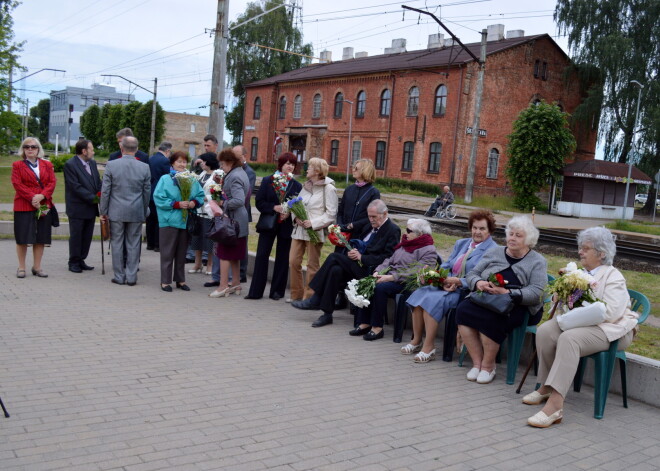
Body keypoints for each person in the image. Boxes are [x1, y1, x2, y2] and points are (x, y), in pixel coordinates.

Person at [524, 227, 639, 428]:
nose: (580, 252)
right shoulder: (581, 273)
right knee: (545, 331)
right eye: (580, 247)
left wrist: (577, 313)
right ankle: (546, 386)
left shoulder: (614, 276)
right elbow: (568, 308)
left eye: (586, 248)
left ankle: (555, 406)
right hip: (583, 324)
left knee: (569, 338)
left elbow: (610, 313)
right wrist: (561, 295)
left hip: (612, 330)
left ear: (601, 253)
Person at [456, 215, 547, 384]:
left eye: (518, 235)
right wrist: (479, 282)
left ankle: (488, 366)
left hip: (519, 305)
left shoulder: (538, 261)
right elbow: (472, 274)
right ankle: (477, 363)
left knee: (492, 318)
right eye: (510, 234)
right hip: (486, 298)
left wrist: (508, 293)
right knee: (463, 310)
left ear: (529, 240)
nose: (512, 238)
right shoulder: (495, 252)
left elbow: (537, 292)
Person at [403, 210, 498, 361]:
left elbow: (485, 277)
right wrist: (438, 277)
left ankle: (429, 347)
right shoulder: (462, 243)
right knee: (420, 293)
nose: (477, 232)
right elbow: (447, 265)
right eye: (474, 228)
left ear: (490, 230)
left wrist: (460, 282)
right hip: (447, 285)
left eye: (482, 229)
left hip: (465, 291)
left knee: (431, 301)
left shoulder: (493, 250)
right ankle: (416, 340)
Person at [292, 199, 400, 328]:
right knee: (335, 271)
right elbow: (359, 243)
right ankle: (327, 314)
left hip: (370, 270)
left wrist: (361, 257)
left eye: (374, 217)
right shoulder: (369, 226)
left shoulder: (393, 230)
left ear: (385, 214)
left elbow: (387, 258)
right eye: (369, 216)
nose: (371, 219)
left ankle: (316, 297)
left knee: (333, 257)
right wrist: (353, 252)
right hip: (356, 265)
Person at [351, 218, 437, 341]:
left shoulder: (428, 250)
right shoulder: (405, 244)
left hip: (407, 283)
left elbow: (417, 272)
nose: (405, 233)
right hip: (392, 277)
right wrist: (377, 271)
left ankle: (377, 328)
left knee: (380, 288)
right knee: (369, 282)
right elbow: (389, 261)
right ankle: (364, 323)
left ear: (420, 234)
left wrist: (392, 277)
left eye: (409, 230)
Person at [245, 152, 302, 300]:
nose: (290, 166)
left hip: (286, 225)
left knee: (282, 258)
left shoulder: (296, 185)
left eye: (292, 164)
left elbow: (299, 205)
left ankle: (277, 292)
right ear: (281, 164)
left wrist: (290, 213)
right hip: (268, 224)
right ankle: (256, 291)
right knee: (262, 255)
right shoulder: (268, 180)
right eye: (287, 163)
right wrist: (274, 208)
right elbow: (259, 202)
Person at [99, 136, 151, 286]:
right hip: (136, 210)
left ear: (122, 148)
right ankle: (132, 276)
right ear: (136, 150)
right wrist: (143, 210)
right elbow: (146, 192)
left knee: (117, 243)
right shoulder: (144, 167)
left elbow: (106, 190)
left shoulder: (111, 165)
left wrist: (103, 211)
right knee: (134, 243)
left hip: (116, 210)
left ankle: (119, 276)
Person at [288, 157, 338, 303]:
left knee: (312, 265)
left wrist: (313, 223)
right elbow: (296, 204)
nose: (306, 169)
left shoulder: (329, 188)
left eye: (309, 167)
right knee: (293, 261)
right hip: (299, 230)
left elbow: (331, 214)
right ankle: (296, 294)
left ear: (317, 171)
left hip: (315, 232)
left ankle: (309, 297)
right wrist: (295, 218)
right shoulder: (306, 186)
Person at [153, 151, 204, 292]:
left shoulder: (191, 179)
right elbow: (158, 198)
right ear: (172, 163)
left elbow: (200, 195)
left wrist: (194, 203)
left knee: (182, 253)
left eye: (184, 161)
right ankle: (165, 281)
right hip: (169, 221)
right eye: (179, 161)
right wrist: (177, 204)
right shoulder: (165, 179)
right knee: (167, 252)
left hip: (185, 220)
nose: (182, 164)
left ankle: (180, 280)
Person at [207, 148, 250, 298]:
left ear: (230, 162)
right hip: (239, 221)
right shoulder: (240, 172)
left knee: (224, 254)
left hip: (232, 222)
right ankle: (236, 284)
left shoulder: (234, 176)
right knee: (235, 255)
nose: (221, 167)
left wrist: (222, 203)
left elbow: (238, 200)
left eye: (223, 164)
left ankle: (223, 286)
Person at [11, 137, 56, 278]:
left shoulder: (47, 165)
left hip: (43, 205)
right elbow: (17, 184)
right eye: (26, 146)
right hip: (23, 205)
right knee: (22, 237)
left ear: (38, 149)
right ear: (23, 149)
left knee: (41, 236)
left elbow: (52, 182)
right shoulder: (17, 165)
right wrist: (33, 197)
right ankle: (21, 267)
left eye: (33, 146)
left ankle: (37, 267)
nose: (30, 149)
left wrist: (41, 196)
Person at [63, 139, 102, 273]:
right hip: (77, 208)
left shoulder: (92, 163)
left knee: (87, 236)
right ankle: (73, 261)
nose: (93, 151)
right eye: (91, 149)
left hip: (91, 208)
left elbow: (97, 181)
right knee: (76, 236)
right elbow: (75, 187)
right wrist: (94, 198)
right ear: (84, 151)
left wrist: (102, 193)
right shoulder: (70, 165)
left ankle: (81, 259)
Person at [188, 152, 218, 275]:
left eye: (204, 161)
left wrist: (205, 198)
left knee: (209, 239)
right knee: (197, 237)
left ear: (209, 162)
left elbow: (218, 193)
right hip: (198, 211)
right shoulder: (202, 174)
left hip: (209, 211)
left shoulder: (217, 175)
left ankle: (210, 265)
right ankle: (197, 263)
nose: (202, 163)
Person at [234, 144, 256, 283]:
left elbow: (246, 195)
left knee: (242, 243)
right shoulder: (230, 169)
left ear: (244, 156)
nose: (234, 158)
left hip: (241, 213)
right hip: (230, 213)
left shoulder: (249, 172)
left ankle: (241, 273)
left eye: (236, 155)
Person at [146, 141, 173, 251]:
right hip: (159, 192)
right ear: (167, 151)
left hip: (149, 192)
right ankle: (158, 245)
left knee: (150, 219)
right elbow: (168, 176)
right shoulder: (165, 161)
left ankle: (150, 243)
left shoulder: (150, 159)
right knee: (159, 219)